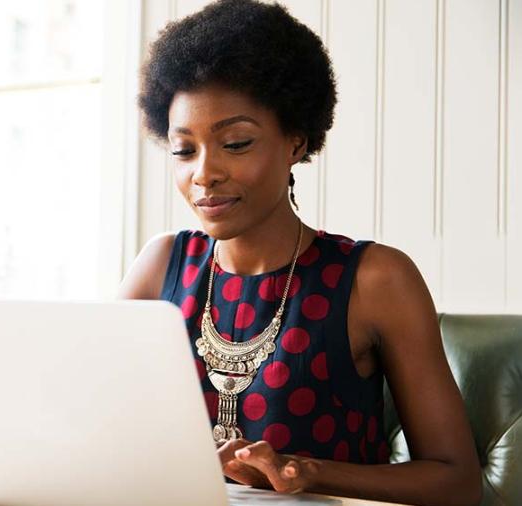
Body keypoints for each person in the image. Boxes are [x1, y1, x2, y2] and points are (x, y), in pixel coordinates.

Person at [118, 1, 481, 505]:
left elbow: (456, 482)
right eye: (184, 150)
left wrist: (308, 473)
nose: (204, 172)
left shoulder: (374, 279)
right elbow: (101, 429)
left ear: (295, 142)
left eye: (237, 143)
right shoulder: (159, 267)